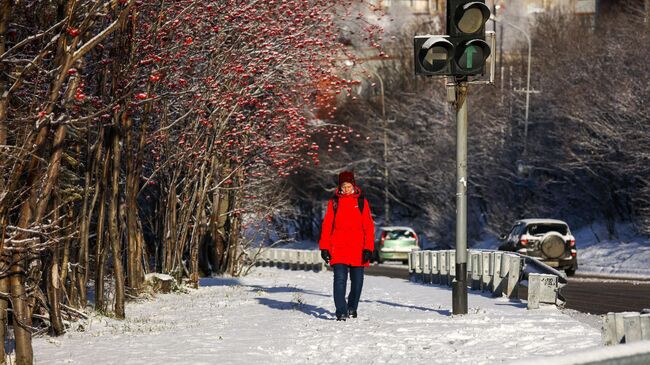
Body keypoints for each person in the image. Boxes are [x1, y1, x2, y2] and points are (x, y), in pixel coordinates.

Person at [319, 171, 375, 321]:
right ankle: (341, 311)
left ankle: (352, 307)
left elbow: (368, 227)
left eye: (349, 186)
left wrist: (368, 248)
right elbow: (327, 226)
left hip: (358, 248)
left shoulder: (362, 202)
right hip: (338, 248)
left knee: (357, 282)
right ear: (340, 187)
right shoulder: (334, 202)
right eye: (344, 186)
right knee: (340, 280)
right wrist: (324, 247)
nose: (347, 189)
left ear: (354, 185)